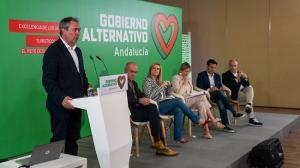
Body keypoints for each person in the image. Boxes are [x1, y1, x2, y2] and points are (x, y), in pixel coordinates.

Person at [42, 17, 89, 155]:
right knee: (58, 142)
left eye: (79, 30)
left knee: (73, 141)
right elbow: (47, 81)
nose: (78, 33)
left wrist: (88, 88)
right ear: (63, 30)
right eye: (75, 30)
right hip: (59, 106)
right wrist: (62, 98)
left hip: (76, 104)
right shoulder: (53, 51)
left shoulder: (78, 51)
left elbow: (81, 75)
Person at [143, 63, 205, 143]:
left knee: (178, 110)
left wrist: (169, 87)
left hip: (164, 103)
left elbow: (167, 95)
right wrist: (161, 86)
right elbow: (150, 96)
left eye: (158, 69)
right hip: (155, 106)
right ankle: (195, 119)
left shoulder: (159, 81)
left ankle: (178, 137)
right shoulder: (147, 81)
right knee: (178, 101)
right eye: (154, 68)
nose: (156, 70)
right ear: (150, 70)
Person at [125, 62, 178, 156]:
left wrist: (145, 98)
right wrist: (139, 100)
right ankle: (160, 144)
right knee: (155, 113)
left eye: (135, 72)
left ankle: (159, 143)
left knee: (153, 109)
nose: (134, 74)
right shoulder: (122, 83)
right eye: (131, 71)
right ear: (125, 70)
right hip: (132, 113)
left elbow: (140, 94)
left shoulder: (134, 83)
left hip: (140, 108)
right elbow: (126, 99)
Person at [172, 62, 224, 139]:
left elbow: (191, 91)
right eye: (186, 71)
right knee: (202, 96)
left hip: (190, 99)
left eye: (188, 71)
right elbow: (178, 93)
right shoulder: (175, 78)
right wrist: (184, 83)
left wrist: (198, 92)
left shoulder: (188, 78)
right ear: (181, 70)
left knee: (202, 104)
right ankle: (213, 120)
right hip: (182, 101)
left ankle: (206, 131)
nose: (187, 73)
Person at [196, 59, 244, 133]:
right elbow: (199, 87)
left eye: (215, 67)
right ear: (207, 66)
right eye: (211, 67)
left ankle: (225, 125)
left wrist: (219, 88)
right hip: (207, 95)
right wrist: (210, 89)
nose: (213, 69)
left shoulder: (217, 76)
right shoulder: (201, 75)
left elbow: (220, 86)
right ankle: (233, 112)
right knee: (220, 94)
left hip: (217, 95)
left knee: (221, 104)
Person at [222, 59, 263, 126]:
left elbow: (247, 84)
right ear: (229, 66)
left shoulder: (240, 73)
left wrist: (246, 78)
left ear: (237, 66)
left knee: (250, 88)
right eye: (232, 66)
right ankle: (251, 118)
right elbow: (232, 88)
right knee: (249, 98)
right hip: (233, 95)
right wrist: (237, 79)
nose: (233, 67)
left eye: (235, 66)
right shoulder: (225, 75)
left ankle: (248, 105)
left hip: (241, 93)